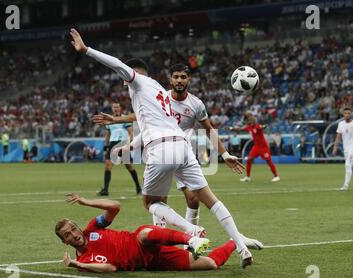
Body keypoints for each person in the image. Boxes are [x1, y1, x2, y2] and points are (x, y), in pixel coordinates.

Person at [71, 28, 257, 267]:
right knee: (209, 199)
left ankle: (192, 231)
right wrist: (128, 143)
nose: (123, 79)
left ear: (134, 73)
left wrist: (86, 50)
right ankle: (242, 249)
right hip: (182, 147)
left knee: (151, 202)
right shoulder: (160, 90)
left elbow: (116, 64)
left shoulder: (138, 81)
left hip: (161, 150)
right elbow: (149, 122)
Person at [92, 63, 246, 234]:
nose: (179, 80)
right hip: (160, 150)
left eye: (183, 77)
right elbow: (142, 117)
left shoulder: (196, 104)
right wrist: (118, 123)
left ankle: (191, 238)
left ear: (189, 80)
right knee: (159, 199)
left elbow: (209, 130)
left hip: (183, 153)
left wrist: (224, 154)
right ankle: (163, 235)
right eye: (176, 77)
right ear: (170, 79)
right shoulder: (161, 97)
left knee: (193, 199)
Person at [56, 194, 262, 273]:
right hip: (151, 261)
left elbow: (115, 207)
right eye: (67, 234)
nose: (73, 234)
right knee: (210, 264)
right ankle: (235, 241)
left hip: (140, 241)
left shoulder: (93, 228)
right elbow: (110, 267)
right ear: (64, 242)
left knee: (145, 233)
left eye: (73, 228)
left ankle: (192, 238)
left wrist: (86, 202)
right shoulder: (84, 260)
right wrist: (78, 264)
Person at [98, 102, 141, 196]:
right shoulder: (109, 120)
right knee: (108, 165)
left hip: (123, 143)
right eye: (114, 107)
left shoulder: (124, 119)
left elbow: (131, 132)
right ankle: (105, 190)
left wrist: (128, 144)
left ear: (120, 108)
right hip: (113, 144)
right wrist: (106, 146)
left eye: (117, 107)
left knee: (129, 166)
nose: (115, 109)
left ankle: (138, 188)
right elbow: (108, 134)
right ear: (112, 108)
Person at [231, 113, 280, 182]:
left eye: (251, 121)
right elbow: (240, 129)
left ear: (254, 121)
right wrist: (231, 128)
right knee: (249, 160)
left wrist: (264, 126)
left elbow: (261, 127)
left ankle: (276, 176)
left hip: (263, 147)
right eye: (249, 121)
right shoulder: (249, 127)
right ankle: (248, 177)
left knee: (268, 161)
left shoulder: (257, 126)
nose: (250, 122)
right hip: (256, 147)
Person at [332, 107, 353, 190]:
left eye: (348, 113)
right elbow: (338, 136)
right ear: (343, 114)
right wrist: (335, 147)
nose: (347, 115)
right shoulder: (341, 124)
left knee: (347, 165)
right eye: (345, 113)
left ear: (351, 114)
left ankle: (345, 186)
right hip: (346, 148)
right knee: (350, 166)